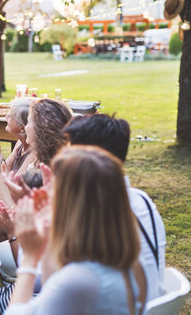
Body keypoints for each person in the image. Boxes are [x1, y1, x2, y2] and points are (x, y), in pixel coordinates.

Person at [7, 146, 147, 315]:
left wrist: (30, 257)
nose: (51, 197)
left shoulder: (79, 280)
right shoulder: (128, 264)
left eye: (56, 192)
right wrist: (48, 232)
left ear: (72, 206)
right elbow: (50, 285)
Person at [62, 113, 167, 302]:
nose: (62, 155)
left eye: (68, 148)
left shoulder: (94, 212)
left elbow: (58, 281)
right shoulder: (141, 199)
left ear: (89, 158)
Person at [0, 98, 36, 175]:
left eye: (10, 116)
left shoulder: (35, 152)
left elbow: (12, 184)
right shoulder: (21, 143)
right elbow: (5, 169)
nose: (5, 117)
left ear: (22, 128)